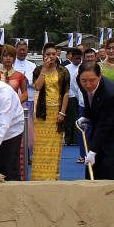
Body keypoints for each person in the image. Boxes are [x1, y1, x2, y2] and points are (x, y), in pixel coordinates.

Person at [76, 61, 114, 180]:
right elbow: (87, 97)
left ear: (100, 76)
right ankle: (90, 191)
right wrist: (86, 115)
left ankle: (108, 193)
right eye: (84, 80)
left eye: (92, 80)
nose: (88, 84)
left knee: (106, 165)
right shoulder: (81, 81)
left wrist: (93, 151)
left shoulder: (110, 93)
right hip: (101, 122)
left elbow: (105, 126)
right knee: (92, 166)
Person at [31, 42, 70, 180]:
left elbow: (66, 93)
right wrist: (44, 70)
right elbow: (37, 87)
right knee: (40, 146)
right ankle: (38, 178)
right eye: (48, 54)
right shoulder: (38, 70)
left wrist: (62, 113)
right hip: (43, 113)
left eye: (54, 54)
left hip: (57, 112)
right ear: (43, 56)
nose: (51, 57)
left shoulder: (63, 71)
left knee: (54, 146)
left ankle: (52, 177)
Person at [0, 44, 28, 178]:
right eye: (5, 56)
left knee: (14, 147)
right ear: (1, 58)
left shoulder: (20, 76)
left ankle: (13, 176)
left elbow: (25, 94)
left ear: (14, 58)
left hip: (14, 116)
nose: (8, 59)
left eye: (11, 56)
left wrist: (14, 102)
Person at [14, 40, 36, 158]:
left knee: (28, 128)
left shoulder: (32, 65)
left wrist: (27, 81)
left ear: (27, 51)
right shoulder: (12, 64)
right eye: (20, 50)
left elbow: (37, 83)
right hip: (15, 99)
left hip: (29, 99)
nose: (22, 52)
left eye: (24, 50)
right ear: (16, 50)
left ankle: (27, 154)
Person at [63, 47, 83, 147]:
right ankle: (68, 139)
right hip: (69, 96)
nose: (78, 61)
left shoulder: (83, 67)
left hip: (79, 97)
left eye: (80, 59)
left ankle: (77, 139)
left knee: (78, 118)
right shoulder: (66, 68)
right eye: (76, 59)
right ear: (71, 58)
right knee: (68, 119)